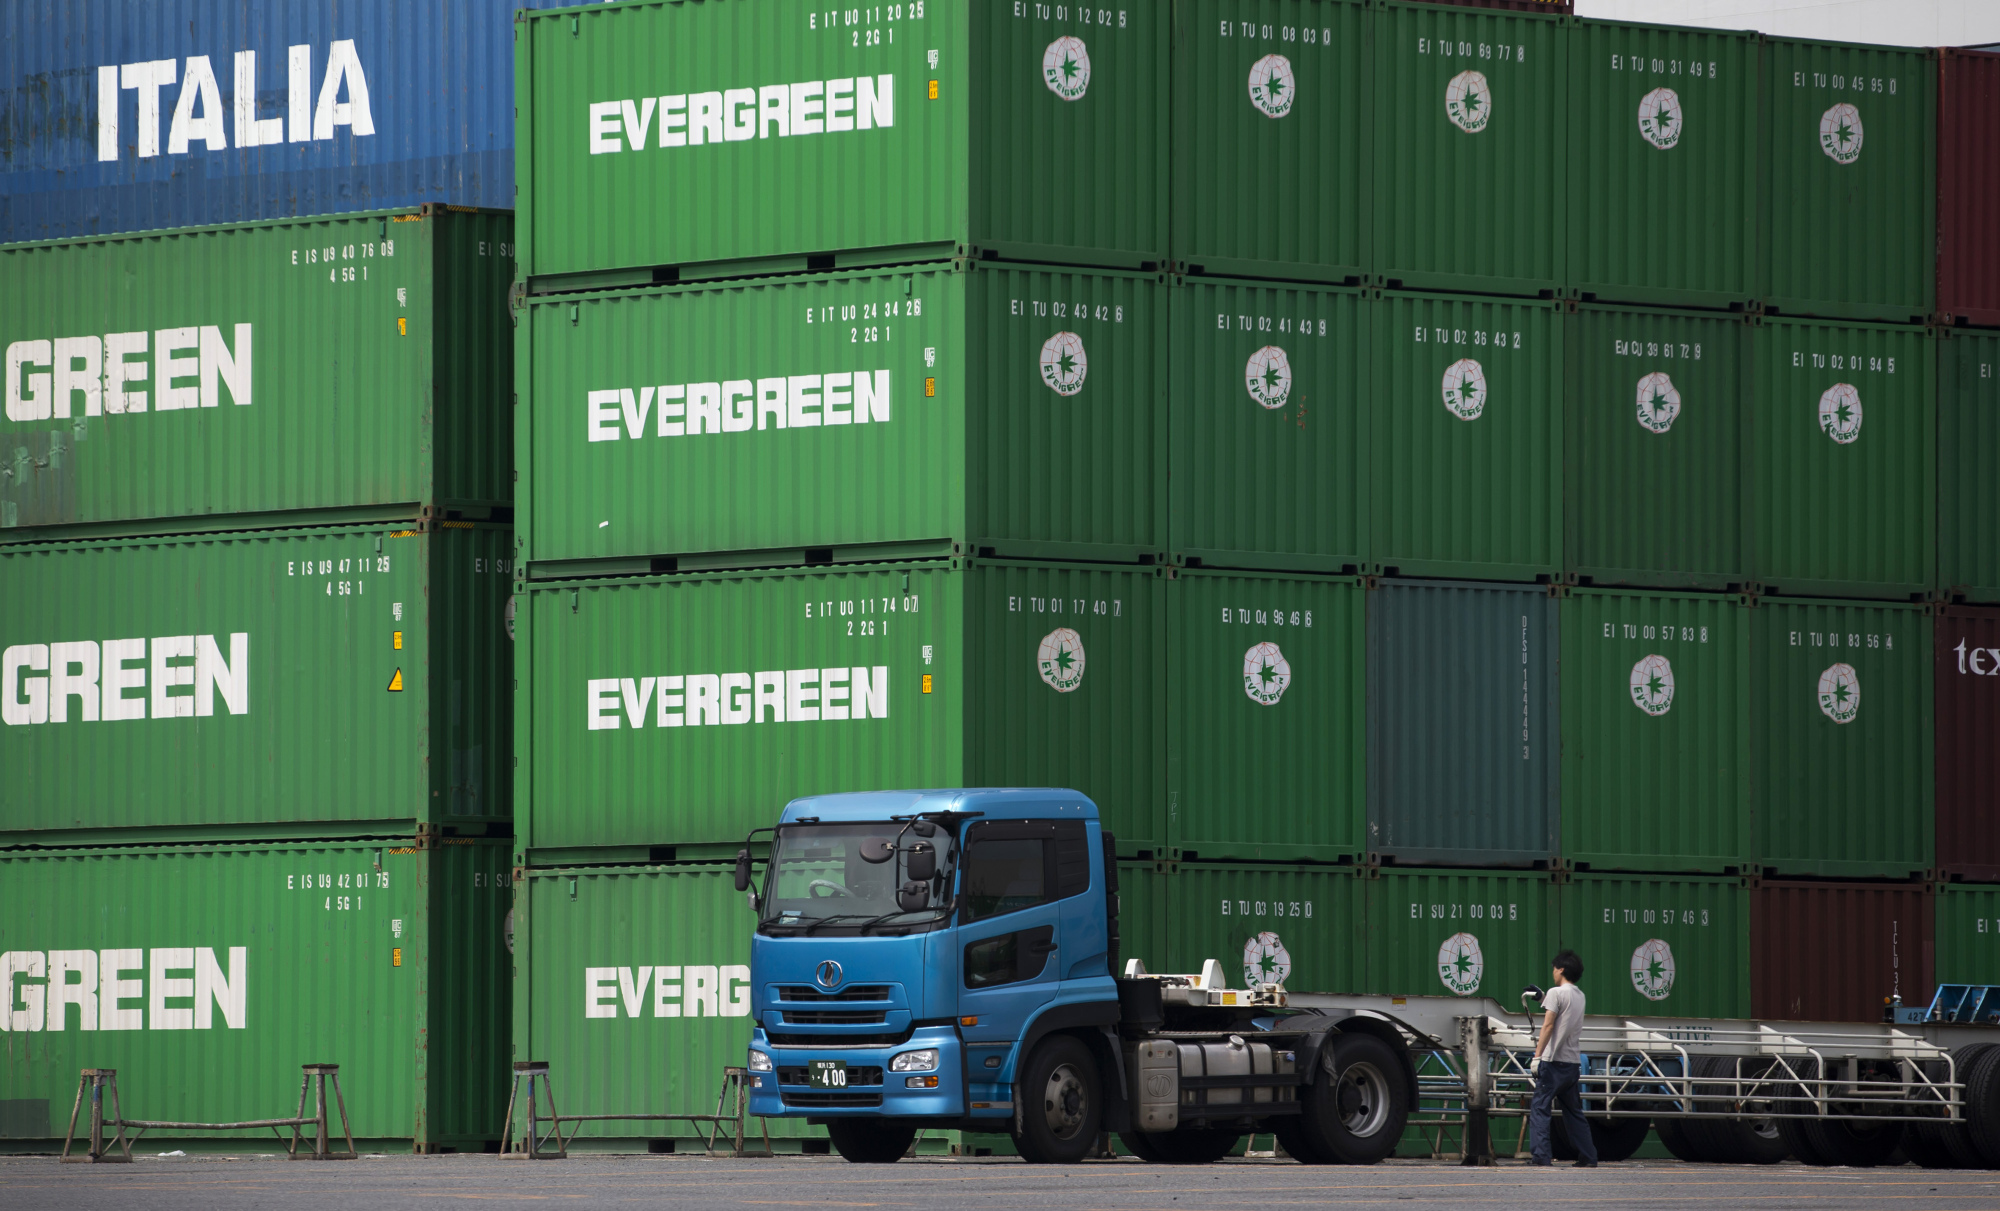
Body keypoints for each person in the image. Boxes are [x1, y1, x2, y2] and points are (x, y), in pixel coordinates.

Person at [1528, 949, 1597, 1167]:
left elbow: (1549, 1025)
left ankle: (1541, 1157)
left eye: (1554, 969)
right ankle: (1588, 1156)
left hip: (1553, 1062)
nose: (1553, 972)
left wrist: (1537, 1057)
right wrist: (1542, 997)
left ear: (1561, 969)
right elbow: (1566, 1012)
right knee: (1574, 1112)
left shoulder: (1556, 993)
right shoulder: (1580, 995)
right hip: (1572, 1063)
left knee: (1540, 1108)